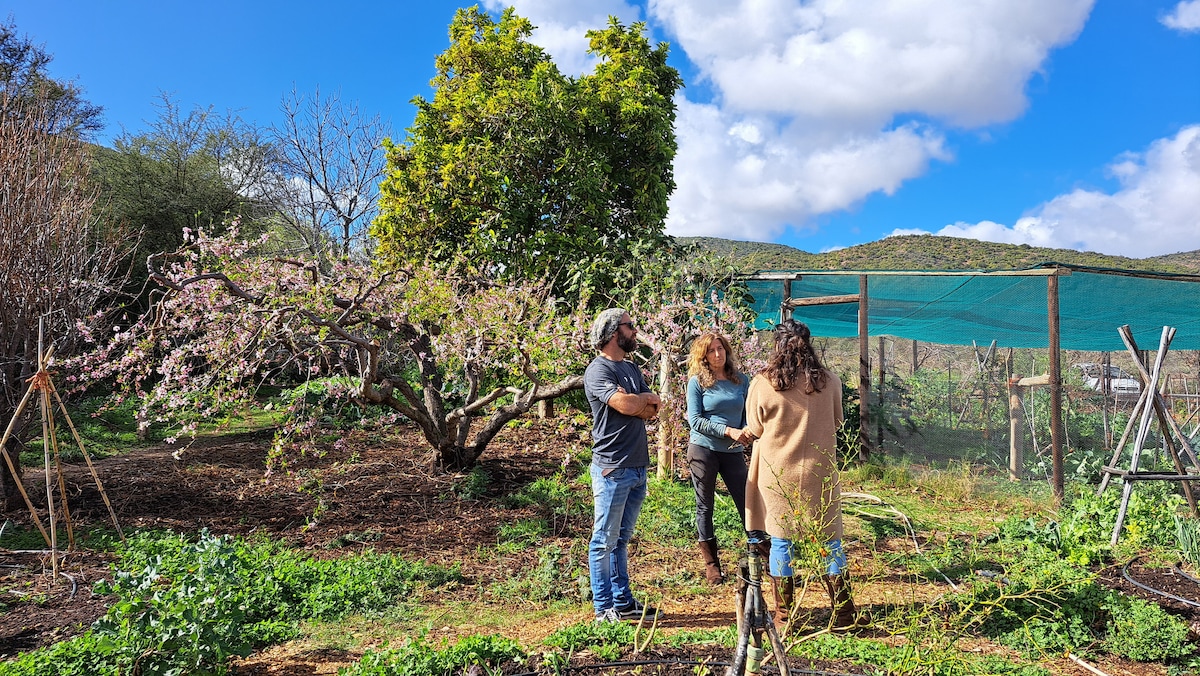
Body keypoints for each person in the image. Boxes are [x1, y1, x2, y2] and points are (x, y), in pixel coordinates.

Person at [743, 319, 859, 631]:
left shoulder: (763, 383)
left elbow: (754, 429)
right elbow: (836, 421)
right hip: (819, 473)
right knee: (830, 543)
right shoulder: (830, 381)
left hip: (777, 474)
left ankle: (784, 618)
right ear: (809, 345)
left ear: (776, 347)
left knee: (781, 542)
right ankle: (846, 616)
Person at [583, 308, 664, 624]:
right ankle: (603, 609)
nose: (635, 331)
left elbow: (652, 410)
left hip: (637, 467)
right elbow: (626, 404)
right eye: (631, 326)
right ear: (615, 332)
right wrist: (638, 401)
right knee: (603, 540)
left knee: (620, 540)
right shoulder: (597, 370)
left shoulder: (630, 369)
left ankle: (623, 603)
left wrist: (640, 400)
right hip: (612, 468)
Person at [685, 332, 752, 585]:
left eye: (721, 349)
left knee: (747, 502)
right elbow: (695, 420)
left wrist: (746, 429)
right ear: (703, 356)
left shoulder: (741, 381)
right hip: (704, 449)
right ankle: (712, 565)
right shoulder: (697, 382)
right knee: (705, 505)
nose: (717, 354)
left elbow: (747, 413)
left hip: (733, 451)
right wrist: (728, 430)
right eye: (711, 350)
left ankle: (760, 553)